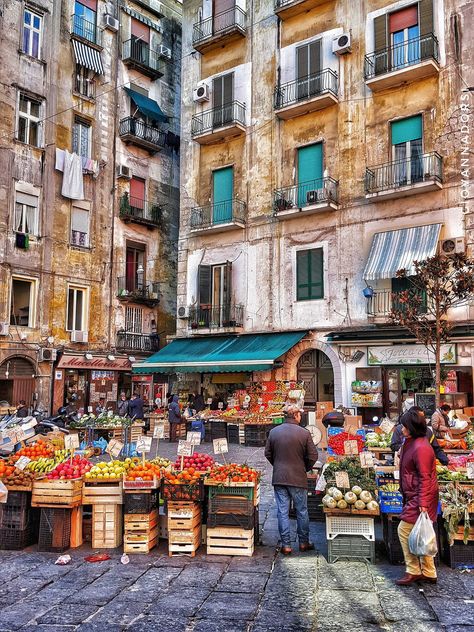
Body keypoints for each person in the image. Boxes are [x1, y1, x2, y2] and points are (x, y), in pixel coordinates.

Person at [265, 404, 318, 555]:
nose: (300, 417)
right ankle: (303, 542)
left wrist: (277, 464)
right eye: (300, 415)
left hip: (280, 477)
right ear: (295, 415)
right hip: (298, 477)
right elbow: (313, 456)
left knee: (282, 511)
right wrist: (304, 468)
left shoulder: (274, 432)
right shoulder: (304, 433)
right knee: (302, 511)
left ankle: (286, 545)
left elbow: (267, 453)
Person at [396, 408, 439, 586]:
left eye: (404, 425)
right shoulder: (412, 442)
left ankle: (413, 569)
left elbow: (425, 477)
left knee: (404, 530)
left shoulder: (421, 447)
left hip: (420, 496)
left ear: (411, 427)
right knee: (422, 533)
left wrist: (422, 502)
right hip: (416, 494)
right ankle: (429, 571)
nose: (401, 428)